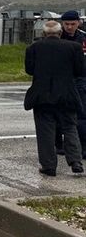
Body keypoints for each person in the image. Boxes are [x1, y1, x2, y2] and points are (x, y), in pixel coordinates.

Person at [25, 20, 83, 175]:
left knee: (45, 132)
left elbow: (29, 70)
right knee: (70, 127)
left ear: (43, 34)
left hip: (42, 96)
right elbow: (79, 70)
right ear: (60, 33)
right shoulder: (74, 47)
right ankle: (76, 161)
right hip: (67, 94)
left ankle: (49, 166)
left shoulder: (33, 48)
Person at [58, 11, 86, 158]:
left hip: (80, 80)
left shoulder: (83, 38)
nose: (69, 27)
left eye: (72, 24)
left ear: (78, 23)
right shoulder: (57, 37)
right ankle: (59, 144)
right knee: (58, 113)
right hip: (61, 80)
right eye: (67, 24)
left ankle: (83, 146)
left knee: (81, 114)